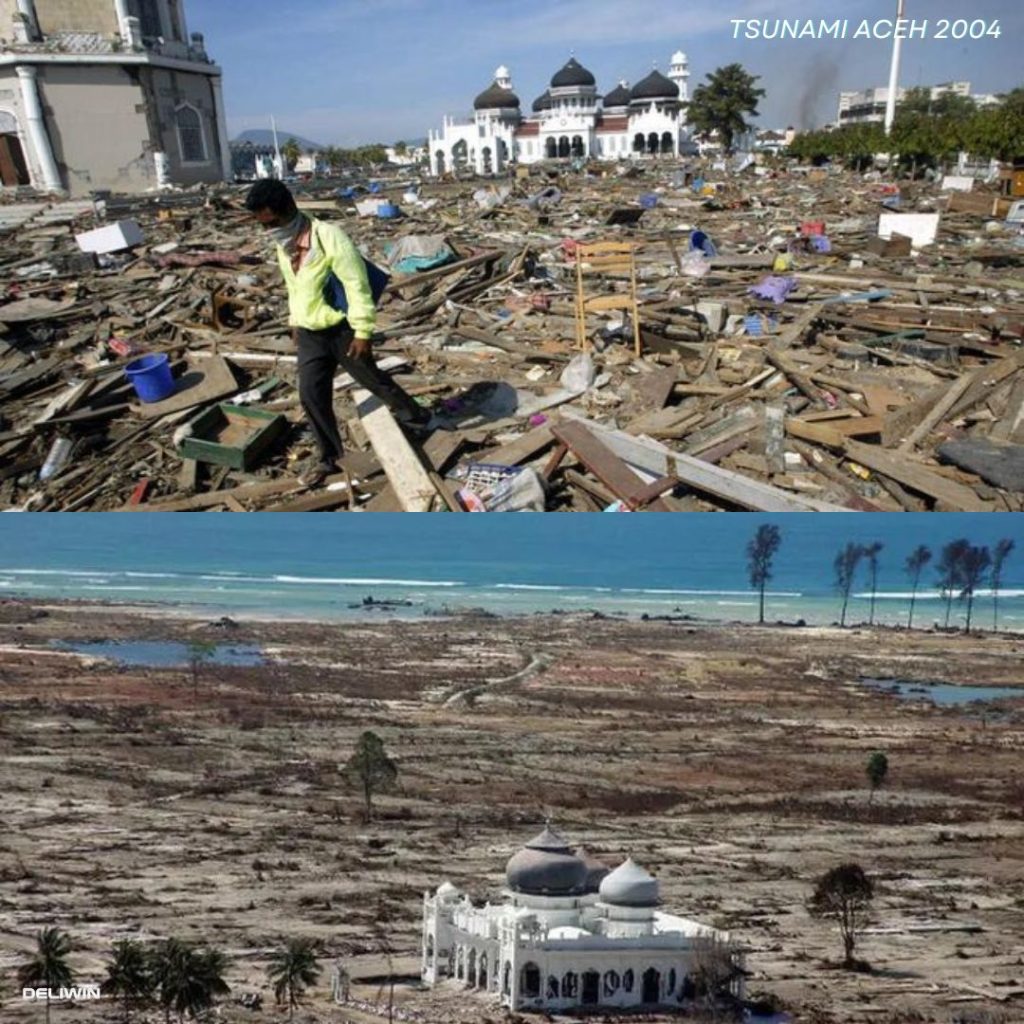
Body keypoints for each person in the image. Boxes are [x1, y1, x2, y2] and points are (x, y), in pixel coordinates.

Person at [245, 179, 430, 487]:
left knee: (372, 380)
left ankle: (416, 417)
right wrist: (294, 320)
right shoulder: (285, 245)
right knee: (311, 395)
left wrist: (363, 332)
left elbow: (356, 286)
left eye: (272, 222)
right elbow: (293, 286)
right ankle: (328, 457)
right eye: (263, 225)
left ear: (289, 209)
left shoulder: (329, 237)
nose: (269, 230)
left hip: (342, 329)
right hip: (309, 333)